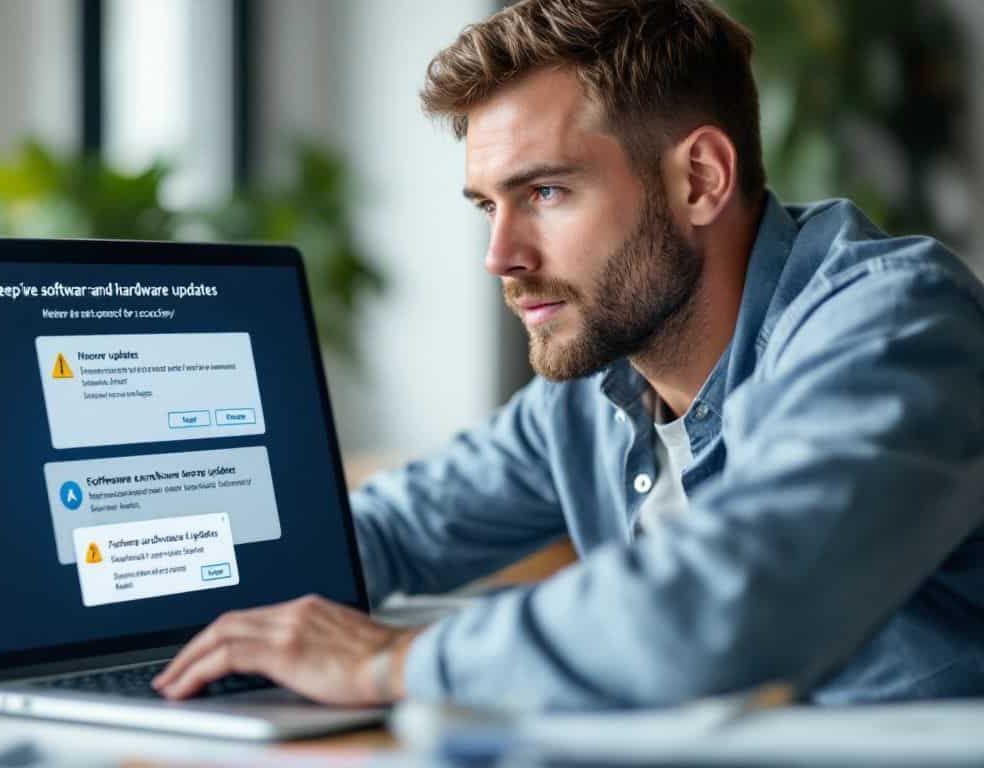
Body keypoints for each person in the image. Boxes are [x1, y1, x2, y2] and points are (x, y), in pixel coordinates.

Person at [152, 0, 984, 710]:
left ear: (700, 178)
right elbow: (389, 530)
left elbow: (737, 594)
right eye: (488, 205)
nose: (500, 256)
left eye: (545, 192)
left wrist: (387, 663)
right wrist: (125, 593)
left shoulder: (891, 323)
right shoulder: (599, 386)